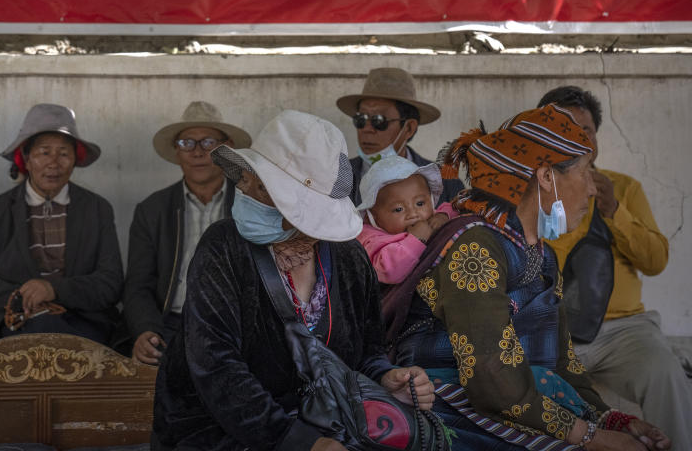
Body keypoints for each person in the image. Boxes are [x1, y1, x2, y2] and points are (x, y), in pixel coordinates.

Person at [391, 104, 670, 450]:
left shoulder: (542, 256)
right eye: (584, 173)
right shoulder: (474, 246)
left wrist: (611, 420)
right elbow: (492, 379)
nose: (593, 190)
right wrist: (591, 437)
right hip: (455, 415)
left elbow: (564, 365)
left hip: (518, 410)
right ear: (546, 176)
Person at [152, 110, 434, 451]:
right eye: (248, 179)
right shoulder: (222, 248)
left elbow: (366, 351)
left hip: (327, 426)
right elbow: (217, 367)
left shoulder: (348, 258)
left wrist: (387, 379)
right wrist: (299, 442)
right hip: (218, 433)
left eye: (262, 187)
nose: (244, 189)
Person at [537, 86, 691, 449]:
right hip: (552, 330)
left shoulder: (623, 187)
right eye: (563, 127)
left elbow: (655, 261)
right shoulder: (534, 191)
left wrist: (615, 213)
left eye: (586, 130)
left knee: (666, 373)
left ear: (596, 139)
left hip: (625, 332)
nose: (577, 136)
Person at [0, 104, 123, 354]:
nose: (54, 163)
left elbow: (110, 283)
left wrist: (53, 290)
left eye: (63, 154)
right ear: (26, 158)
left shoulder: (97, 209)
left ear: (75, 160)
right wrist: (24, 296)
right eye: (44, 153)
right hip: (11, 322)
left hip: (81, 323)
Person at [123, 101, 251, 365]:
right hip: (171, 325)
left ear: (226, 150)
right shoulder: (152, 210)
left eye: (208, 143)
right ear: (176, 152)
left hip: (237, 322)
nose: (197, 153)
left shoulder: (250, 203)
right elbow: (138, 285)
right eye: (186, 143)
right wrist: (146, 329)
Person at [336, 67, 463, 206]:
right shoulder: (336, 177)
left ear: (409, 128)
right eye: (361, 119)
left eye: (379, 120)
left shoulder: (446, 182)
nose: (367, 129)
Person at [355, 155, 458, 285]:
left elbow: (456, 208)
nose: (413, 213)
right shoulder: (371, 240)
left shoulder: (430, 216)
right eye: (398, 209)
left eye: (420, 203)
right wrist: (416, 240)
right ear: (373, 218)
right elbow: (390, 271)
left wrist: (443, 216)